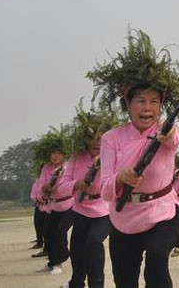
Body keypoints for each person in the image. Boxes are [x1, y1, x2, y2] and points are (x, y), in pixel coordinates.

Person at [89, 28, 179, 288]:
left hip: (162, 212)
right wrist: (120, 177)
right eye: (140, 100)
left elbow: (173, 138)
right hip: (124, 218)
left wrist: (168, 131)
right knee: (125, 281)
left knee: (157, 260)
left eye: (153, 101)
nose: (147, 107)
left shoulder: (167, 129)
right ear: (128, 104)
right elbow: (106, 189)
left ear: (161, 106)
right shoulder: (111, 138)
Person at [56, 106, 119, 288]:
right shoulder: (76, 159)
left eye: (101, 137)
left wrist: (103, 163)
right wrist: (77, 184)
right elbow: (61, 187)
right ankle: (76, 283)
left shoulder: (112, 156)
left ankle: (96, 284)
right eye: (93, 137)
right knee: (77, 251)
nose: (97, 142)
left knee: (93, 243)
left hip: (104, 210)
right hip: (81, 210)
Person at [33, 128, 74, 275]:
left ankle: (61, 260)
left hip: (70, 204)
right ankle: (52, 262)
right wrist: (53, 180)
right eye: (53, 153)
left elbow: (68, 186)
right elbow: (43, 188)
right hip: (54, 205)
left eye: (59, 153)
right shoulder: (46, 168)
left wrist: (58, 178)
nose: (56, 156)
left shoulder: (68, 166)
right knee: (48, 233)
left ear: (64, 154)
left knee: (60, 231)